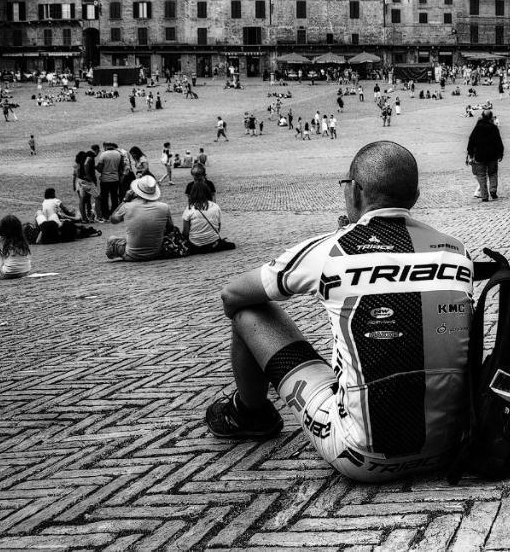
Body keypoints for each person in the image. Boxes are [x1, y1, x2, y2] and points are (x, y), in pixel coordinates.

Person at [202, 141, 475, 483]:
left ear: (356, 192)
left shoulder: (333, 249)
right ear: (415, 197)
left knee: (247, 311)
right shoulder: (455, 249)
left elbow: (231, 295)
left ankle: (249, 414)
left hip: (363, 455)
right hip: (453, 445)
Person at [105, 175, 171, 261]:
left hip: (132, 255)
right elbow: (170, 228)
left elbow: (113, 219)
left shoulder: (127, 206)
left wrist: (125, 200)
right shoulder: (164, 207)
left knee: (111, 239)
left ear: (136, 192)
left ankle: (118, 254)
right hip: (156, 253)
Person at [181, 180, 235, 253]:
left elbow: (185, 232)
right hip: (213, 242)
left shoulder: (190, 208)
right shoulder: (215, 206)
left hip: (195, 244)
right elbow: (218, 227)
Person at [466, 107, 504, 201]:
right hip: (492, 155)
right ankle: (493, 190)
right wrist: (500, 153)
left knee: (481, 175)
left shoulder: (477, 128)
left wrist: (470, 153)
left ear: (482, 116)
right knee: (493, 173)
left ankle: (484, 196)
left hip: (480, 155)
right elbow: (498, 142)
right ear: (491, 117)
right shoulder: (494, 128)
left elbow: (471, 141)